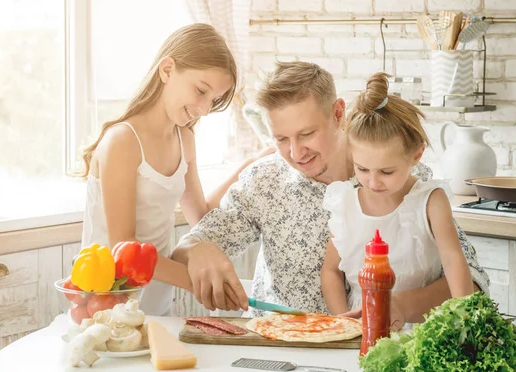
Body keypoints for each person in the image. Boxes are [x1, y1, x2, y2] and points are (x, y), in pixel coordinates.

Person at [172, 62, 489, 328]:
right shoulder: (264, 182)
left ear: (339, 113)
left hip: (371, 352)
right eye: (281, 138)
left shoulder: (396, 177)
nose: (296, 153)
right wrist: (197, 250)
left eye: (307, 134)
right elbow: (187, 247)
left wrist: (399, 307)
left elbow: (471, 281)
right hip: (279, 352)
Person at [80, 23, 268, 316]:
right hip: (107, 302)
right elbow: (123, 249)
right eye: (201, 91)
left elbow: (201, 216)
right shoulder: (123, 141)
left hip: (157, 302)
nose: (205, 109)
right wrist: (199, 283)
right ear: (167, 70)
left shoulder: (185, 140)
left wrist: (249, 166)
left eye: (214, 100)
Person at [321, 72, 474, 322]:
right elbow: (330, 271)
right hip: (362, 328)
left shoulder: (431, 201)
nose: (373, 181)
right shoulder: (345, 203)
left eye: (386, 171)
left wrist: (466, 318)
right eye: (362, 169)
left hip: (421, 326)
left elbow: (453, 260)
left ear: (416, 155)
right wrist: (344, 322)